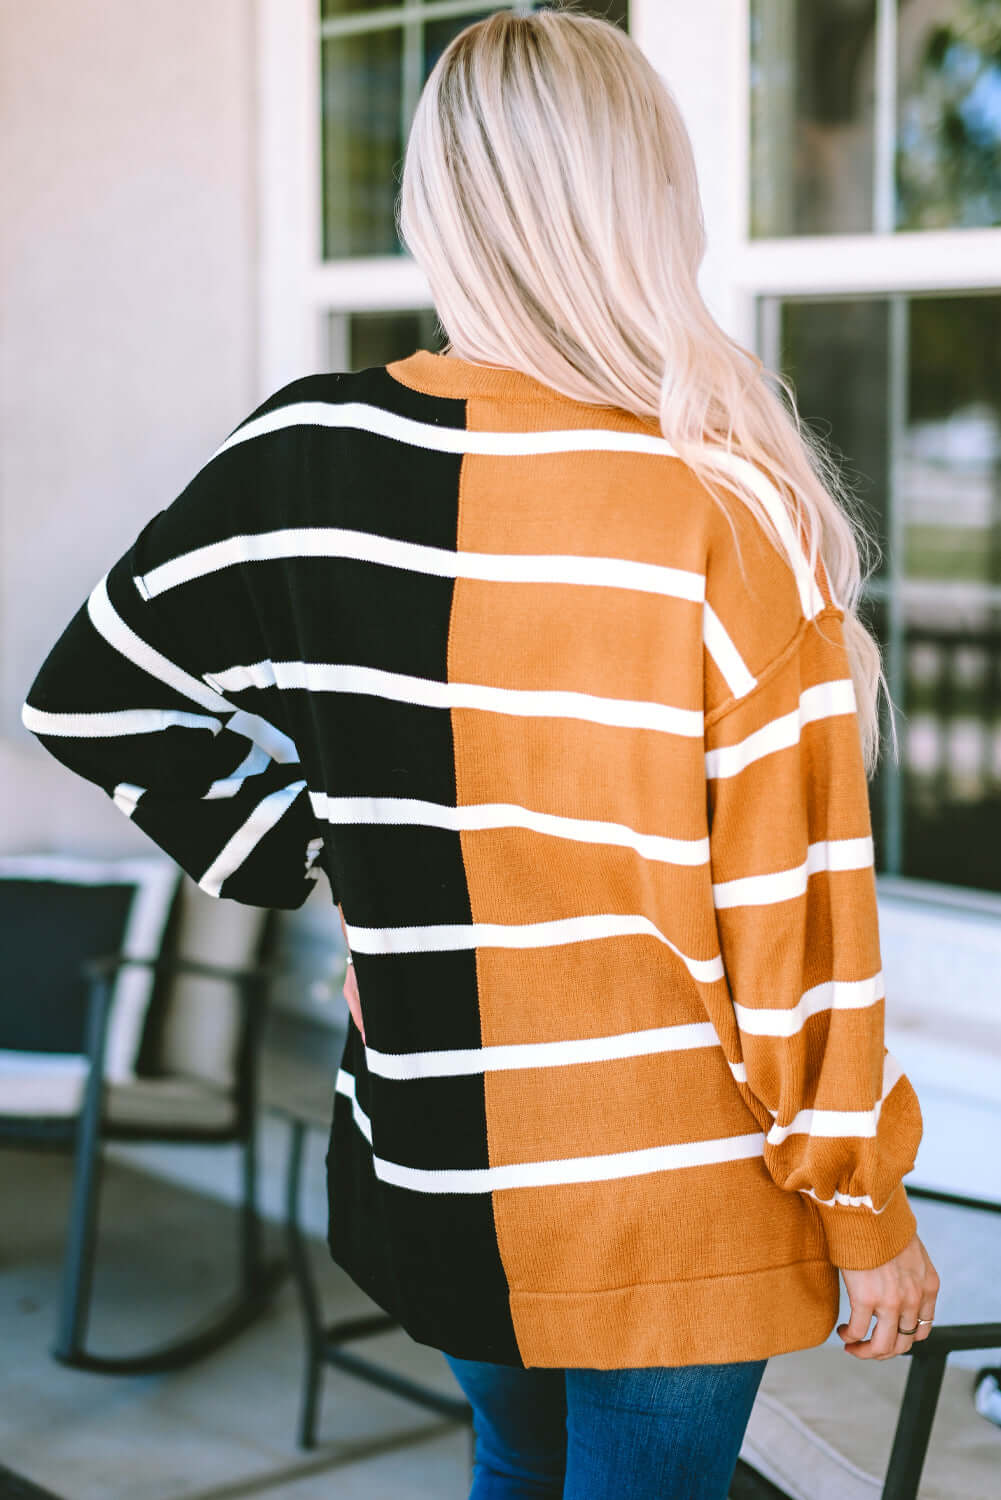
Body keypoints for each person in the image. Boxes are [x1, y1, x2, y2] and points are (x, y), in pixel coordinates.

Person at [21, 6, 939, 1497]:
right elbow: (796, 926)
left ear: (437, 200)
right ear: (650, 201)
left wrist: (316, 852)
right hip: (671, 1202)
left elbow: (90, 695)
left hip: (436, 1162)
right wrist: (864, 1206)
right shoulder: (713, 506)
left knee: (513, 1475)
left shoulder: (302, 454)